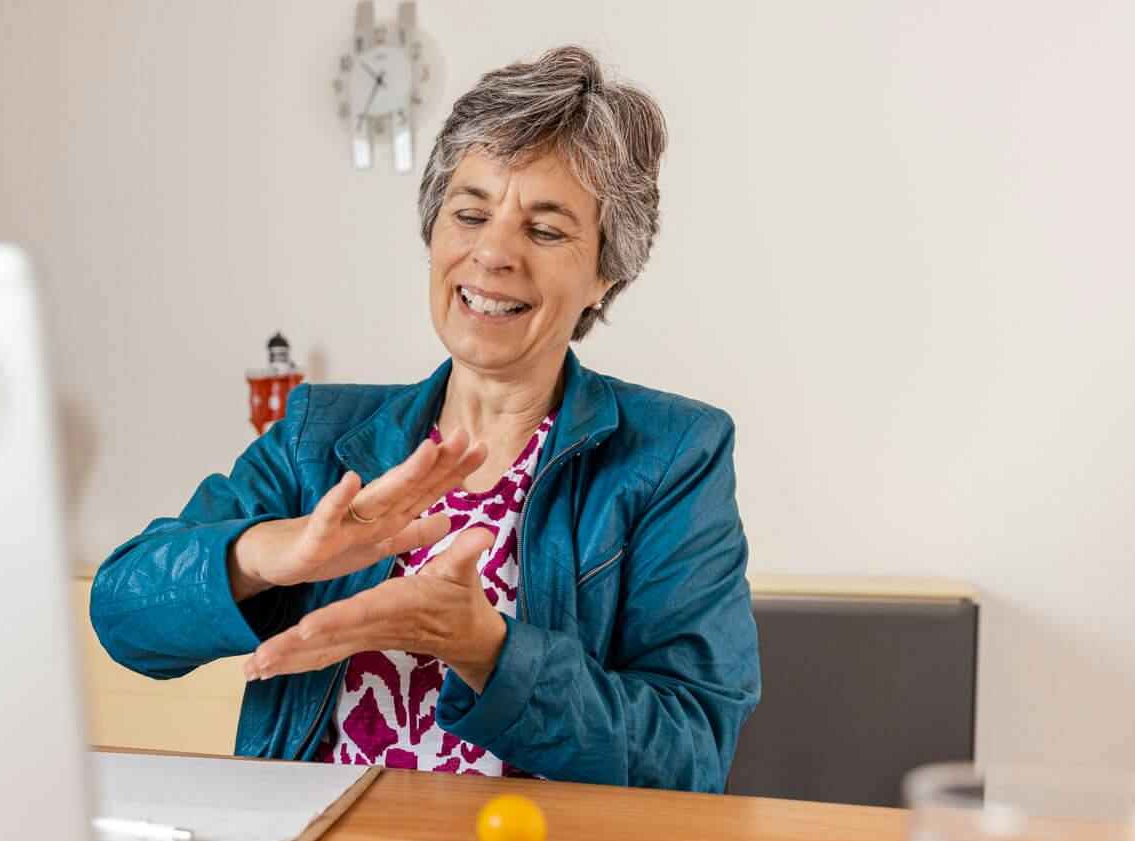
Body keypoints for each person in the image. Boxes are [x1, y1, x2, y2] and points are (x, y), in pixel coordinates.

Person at [91, 45, 759, 792]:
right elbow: (122, 614)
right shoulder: (319, 434)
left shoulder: (673, 454)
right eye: (469, 214)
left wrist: (487, 650)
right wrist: (275, 554)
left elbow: (692, 752)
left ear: (606, 272)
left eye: (544, 230)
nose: (493, 253)